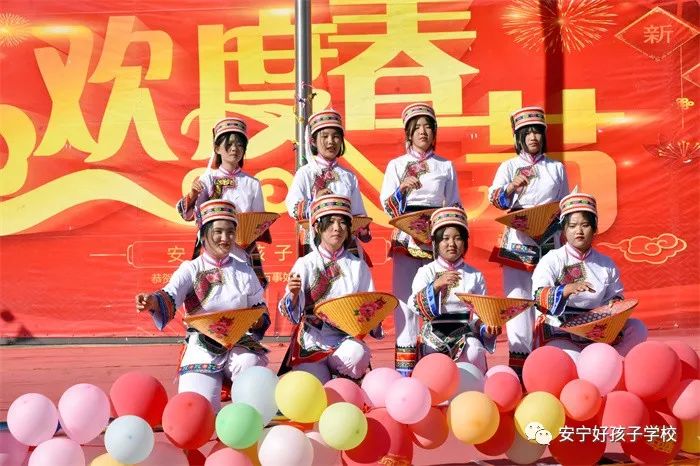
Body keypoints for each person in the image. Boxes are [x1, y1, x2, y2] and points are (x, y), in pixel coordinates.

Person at [135, 199, 270, 412]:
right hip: (202, 346)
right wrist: (152, 301)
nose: (225, 238)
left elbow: (260, 309)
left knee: (251, 367)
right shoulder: (191, 269)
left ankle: (248, 421)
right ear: (204, 234)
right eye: (218, 232)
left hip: (240, 345)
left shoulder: (245, 270)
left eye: (230, 232)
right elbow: (170, 295)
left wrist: (256, 320)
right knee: (198, 409)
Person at [379, 102, 462, 376]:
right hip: (406, 237)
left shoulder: (445, 166)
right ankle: (405, 373)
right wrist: (402, 190)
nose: (423, 132)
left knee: (440, 297)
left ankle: (437, 366)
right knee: (405, 302)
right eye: (417, 127)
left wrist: (444, 229)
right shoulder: (396, 165)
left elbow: (454, 204)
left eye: (428, 126)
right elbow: (387, 206)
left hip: (437, 238)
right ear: (409, 133)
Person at [487, 106, 569, 376]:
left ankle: (550, 367)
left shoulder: (556, 168)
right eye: (528, 132)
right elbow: (496, 199)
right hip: (518, 243)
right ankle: (520, 371)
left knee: (550, 302)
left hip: (550, 243)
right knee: (519, 304)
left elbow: (565, 206)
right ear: (518, 137)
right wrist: (512, 186)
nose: (533, 137)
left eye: (538, 132)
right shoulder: (508, 167)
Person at [278, 194, 382, 382]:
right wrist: (293, 294)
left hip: (345, 339)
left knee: (357, 354)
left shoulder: (358, 265)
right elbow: (290, 312)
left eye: (342, 223)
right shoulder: (305, 263)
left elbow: (369, 305)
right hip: (312, 340)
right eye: (331, 222)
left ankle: (346, 385)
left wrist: (374, 315)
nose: (337, 228)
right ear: (317, 227)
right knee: (311, 386)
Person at [531, 191, 648, 358]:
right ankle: (597, 362)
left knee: (637, 328)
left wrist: (615, 304)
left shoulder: (606, 263)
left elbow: (615, 296)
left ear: (594, 228)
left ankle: (612, 361)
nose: (578, 231)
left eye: (585, 225)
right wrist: (566, 290)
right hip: (561, 329)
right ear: (564, 230)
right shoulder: (552, 259)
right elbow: (537, 297)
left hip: (596, 327)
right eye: (572, 226)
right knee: (575, 360)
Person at [177, 117, 269, 287]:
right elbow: (189, 215)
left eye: (240, 145)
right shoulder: (207, 179)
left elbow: (259, 221)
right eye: (229, 144)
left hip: (242, 249)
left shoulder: (252, 183)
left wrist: (247, 234)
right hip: (213, 246)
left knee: (244, 290)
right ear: (217, 148)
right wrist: (193, 194)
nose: (235, 149)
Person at [407, 207, 499, 374]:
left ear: (465, 242)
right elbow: (413, 305)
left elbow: (481, 314)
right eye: (445, 238)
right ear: (436, 242)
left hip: (465, 333)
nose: (452, 244)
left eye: (458, 238)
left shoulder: (475, 274)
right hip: (434, 333)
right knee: (435, 364)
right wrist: (436, 285)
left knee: (474, 351)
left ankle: (473, 387)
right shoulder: (426, 272)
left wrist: (488, 328)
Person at [285, 109, 371, 257]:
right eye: (325, 136)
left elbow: (357, 213)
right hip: (314, 242)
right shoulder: (306, 173)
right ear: (313, 141)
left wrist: (361, 227)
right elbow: (292, 205)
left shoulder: (348, 176)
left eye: (336, 136)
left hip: (345, 242)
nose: (331, 141)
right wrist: (315, 202)